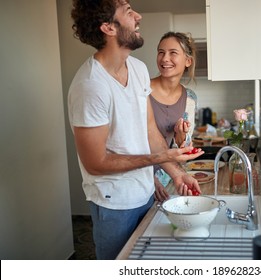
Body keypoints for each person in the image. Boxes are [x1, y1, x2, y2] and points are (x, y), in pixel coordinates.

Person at [68, 0, 203, 260]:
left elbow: (150, 130)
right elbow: (96, 163)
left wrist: (176, 174)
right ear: (108, 27)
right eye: (129, 13)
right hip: (114, 203)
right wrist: (163, 158)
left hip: (146, 195)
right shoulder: (90, 86)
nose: (138, 16)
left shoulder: (139, 70)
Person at [150, 32, 198, 202]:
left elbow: (183, 146)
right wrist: (148, 180)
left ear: (188, 61)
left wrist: (181, 135)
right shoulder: (142, 90)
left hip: (167, 180)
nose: (164, 59)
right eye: (161, 52)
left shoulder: (190, 98)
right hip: (136, 180)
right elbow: (126, 142)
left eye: (173, 53)